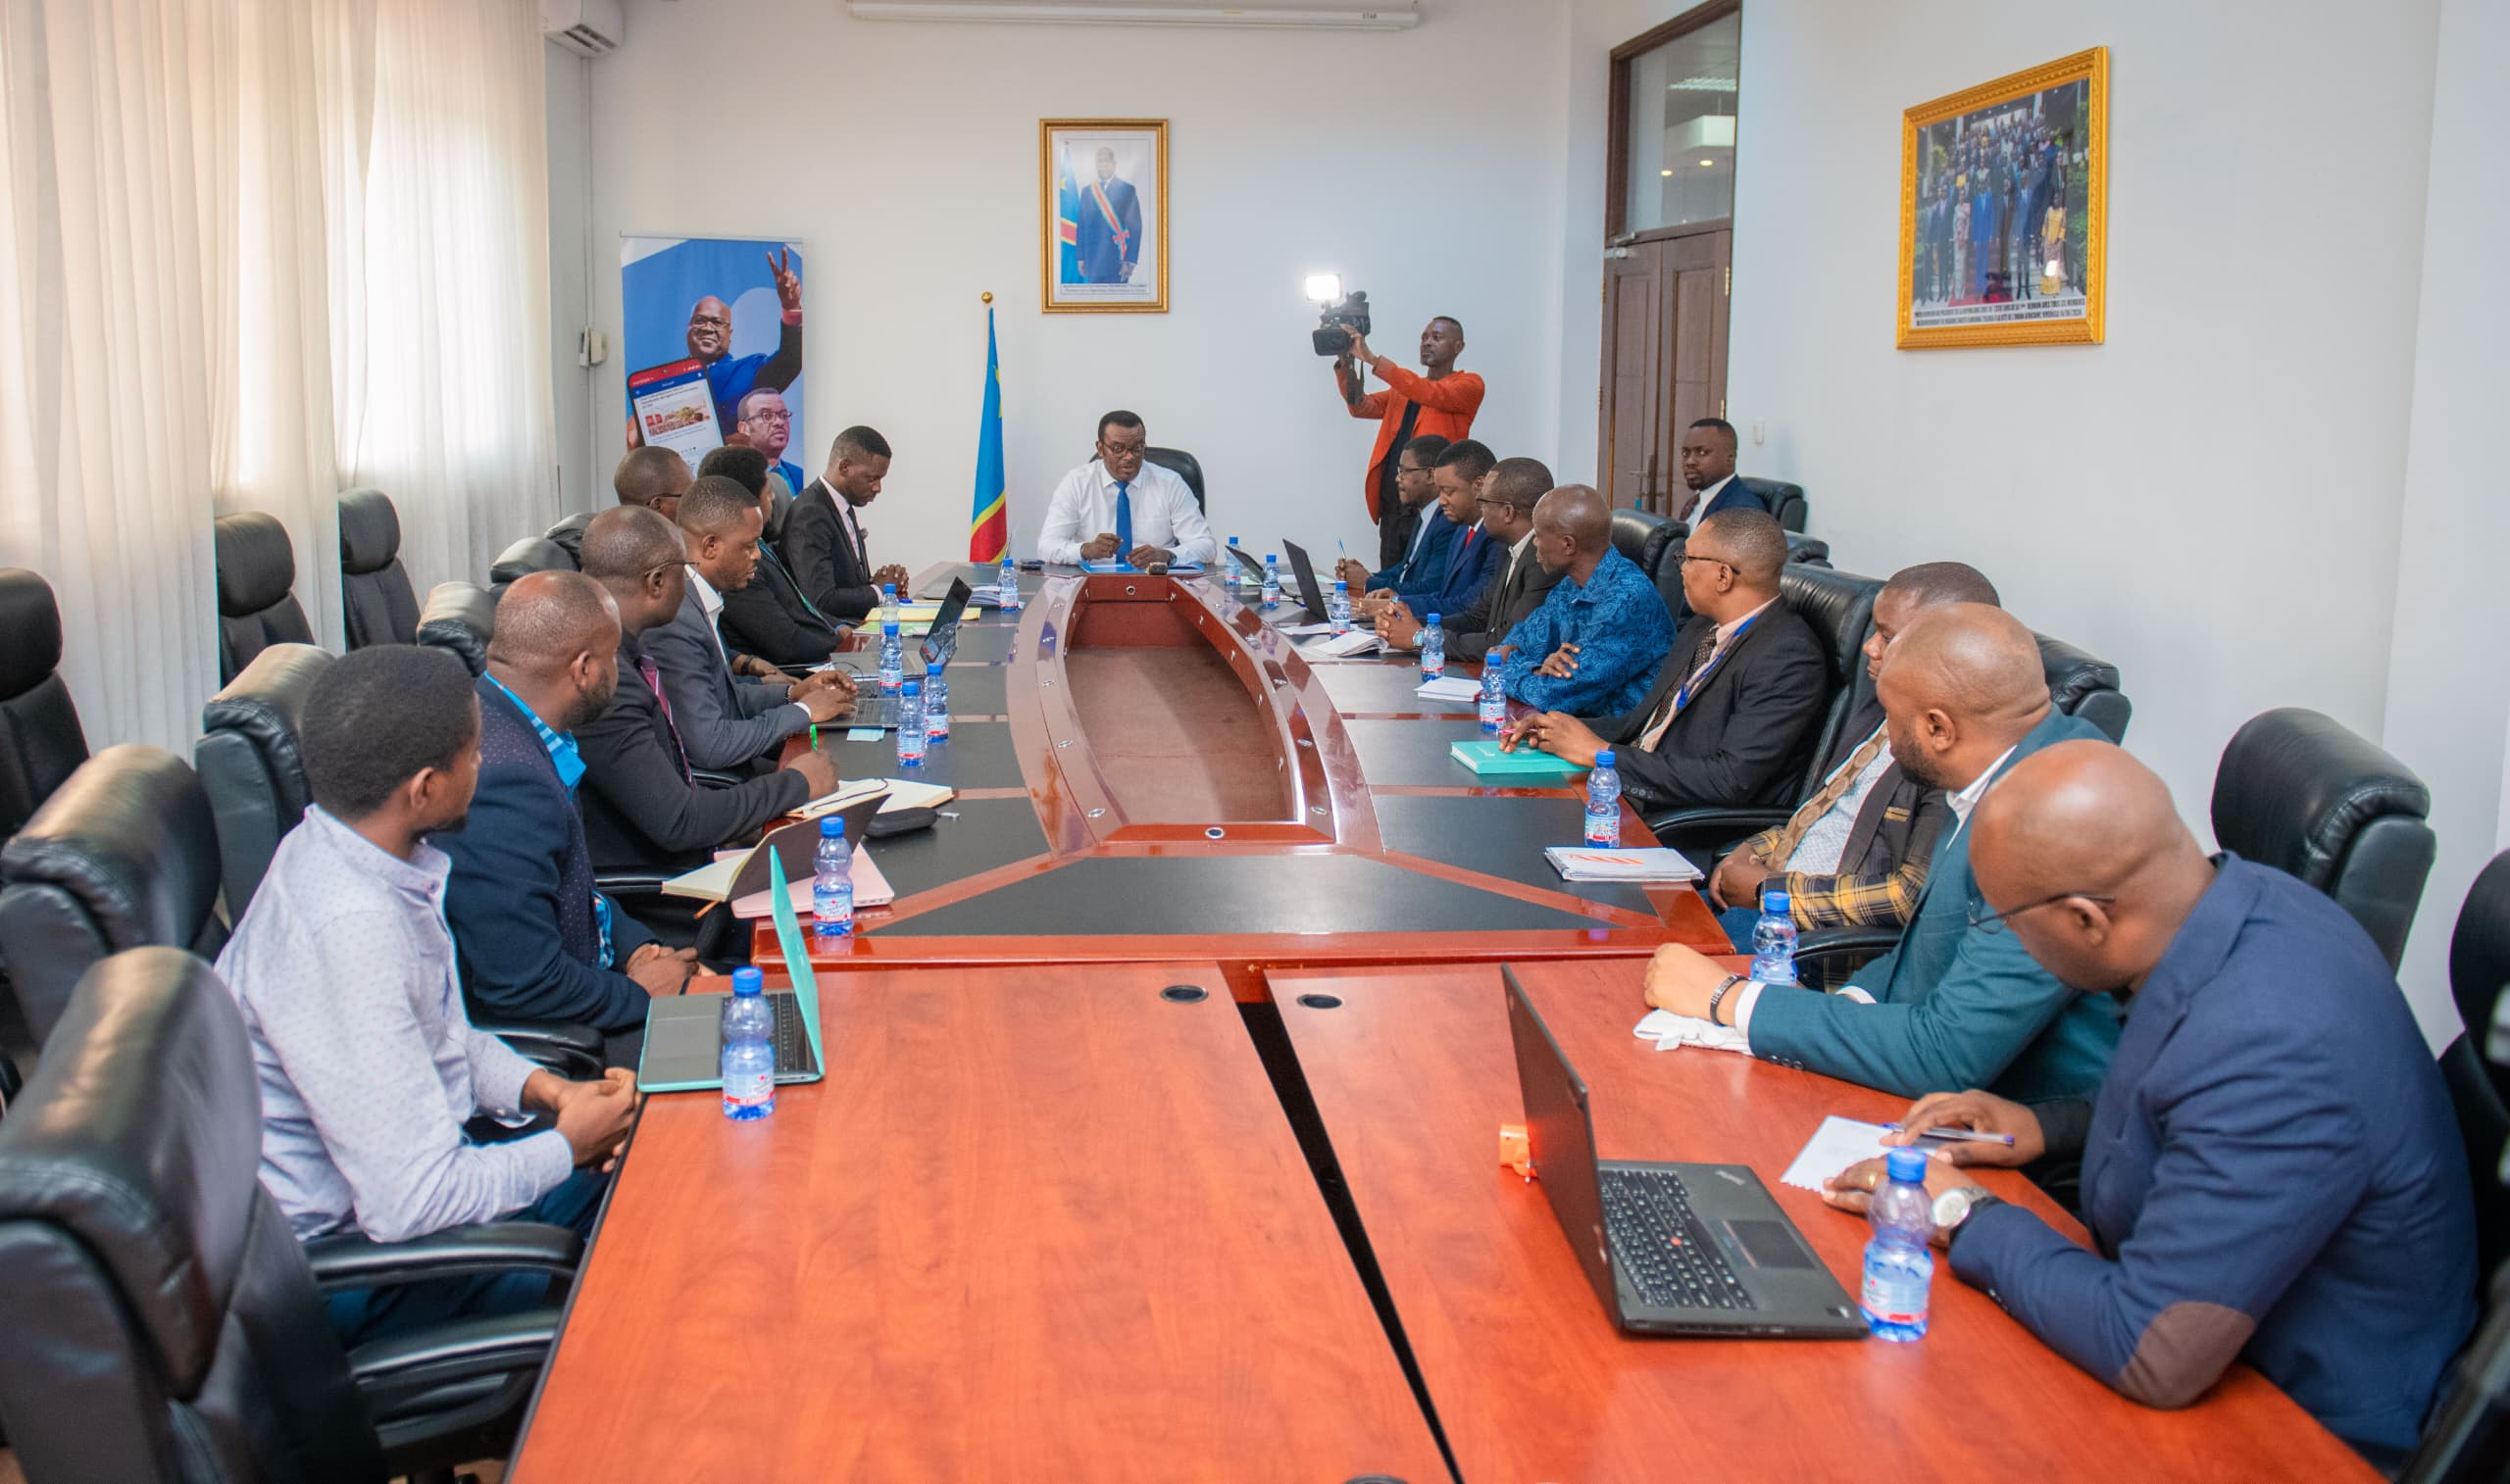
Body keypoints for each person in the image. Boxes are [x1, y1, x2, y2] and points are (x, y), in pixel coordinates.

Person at [1819, 742, 2477, 1463]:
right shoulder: (2246, 904)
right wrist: (2043, 1125)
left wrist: (1957, 1210)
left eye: (2004, 920)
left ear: (2085, 921)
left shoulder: (2273, 1041)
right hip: (2202, 1336)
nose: (2007, 939)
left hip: (2289, 1433)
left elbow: (2150, 1350)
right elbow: (2188, 1099)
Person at [212, 644, 639, 1344]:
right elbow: (411, 1201)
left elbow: (440, 1032)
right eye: (473, 756)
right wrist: (565, 1146)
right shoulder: (352, 927)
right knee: (655, 1245)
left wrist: (547, 1093)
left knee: (653, 1164)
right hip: (364, 1273)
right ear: (424, 788)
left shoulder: (346, 850)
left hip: (407, 1204)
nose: (484, 767)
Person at [1637, 603, 2121, 1104]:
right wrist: (1838, 1006)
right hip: (1920, 1068)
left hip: (2001, 1127)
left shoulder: (2051, 821)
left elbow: (1946, 1058)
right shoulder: (2002, 765)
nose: (1883, 737)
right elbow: (1918, 954)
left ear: (1938, 729)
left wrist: (1728, 1000)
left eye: (1890, 719)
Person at [433, 570, 693, 1062]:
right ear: (583, 669)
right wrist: (641, 994)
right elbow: (522, 986)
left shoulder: (513, 719)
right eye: (615, 657)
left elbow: (571, 889)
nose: (622, 672)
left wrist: (636, 947)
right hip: (573, 1040)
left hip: (597, 975)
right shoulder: (503, 780)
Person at [1703, 562, 1998, 947]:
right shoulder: (1879, 713)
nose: (1869, 647)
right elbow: (1820, 819)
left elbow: (1909, 895)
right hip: (1763, 900)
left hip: (1811, 938)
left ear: (1947, 646)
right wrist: (1749, 851)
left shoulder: (1947, 753)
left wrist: (1771, 892)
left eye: (1887, 637)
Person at [575, 507, 840, 880]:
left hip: (689, 847)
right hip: (671, 885)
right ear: (655, 583)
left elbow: (713, 701)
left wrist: (791, 696)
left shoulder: (625, 655)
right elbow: (681, 820)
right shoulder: (607, 685)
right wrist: (796, 783)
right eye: (682, 571)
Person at [1502, 508, 1826, 814]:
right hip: (1624, 789)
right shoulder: (1702, 627)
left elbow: (1730, 779)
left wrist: (1601, 754)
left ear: (1723, 575)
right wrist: (1557, 728)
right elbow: (1641, 724)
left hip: (1674, 818)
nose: (1681, 568)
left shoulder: (1787, 657)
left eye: (1687, 558)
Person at [648, 475, 853, 770]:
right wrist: (804, 710)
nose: (757, 555)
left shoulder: (698, 599)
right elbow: (712, 745)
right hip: (722, 784)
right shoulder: (678, 619)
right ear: (710, 547)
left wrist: (794, 693)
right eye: (748, 546)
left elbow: (723, 697)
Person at [1484, 485, 1672, 717]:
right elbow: (1508, 645)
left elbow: (1552, 695)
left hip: (1615, 740)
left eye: (1538, 536)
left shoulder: (1627, 600)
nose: (1534, 544)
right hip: (1568, 726)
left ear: (1568, 544)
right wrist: (1536, 667)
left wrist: (1508, 667)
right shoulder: (1571, 585)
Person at [1334, 317, 1484, 569]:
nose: (1427, 343)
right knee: (1389, 580)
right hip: (1394, 506)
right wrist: (1346, 363)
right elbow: (1361, 406)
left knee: (1423, 582)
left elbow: (1430, 393)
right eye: (1424, 337)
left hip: (1434, 507)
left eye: (1436, 338)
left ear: (1458, 347)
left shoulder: (1469, 384)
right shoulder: (1404, 390)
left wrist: (1372, 359)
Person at [1379, 458, 1562, 662]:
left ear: (1508, 512)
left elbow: (1504, 643)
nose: (1479, 508)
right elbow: (1476, 618)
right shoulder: (1506, 549)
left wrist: (1420, 638)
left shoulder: (1541, 563)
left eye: (1483, 501)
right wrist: (1406, 625)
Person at [698, 443, 844, 667]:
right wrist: (841, 645)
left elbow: (802, 607)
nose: (774, 498)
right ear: (748, 501)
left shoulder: (761, 545)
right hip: (798, 673)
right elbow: (788, 644)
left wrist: (840, 628)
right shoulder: (737, 565)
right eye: (768, 492)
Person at [1038, 410, 1217, 567]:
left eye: (1137, 448)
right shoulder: (1077, 482)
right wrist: (1086, 550)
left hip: (1155, 585)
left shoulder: (1170, 483)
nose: (1129, 457)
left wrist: (1167, 555)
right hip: (1093, 585)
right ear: (1100, 449)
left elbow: (1206, 547)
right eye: (1118, 449)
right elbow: (1047, 546)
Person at [1358, 439, 1499, 619]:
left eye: (1448, 491)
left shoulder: (1495, 538)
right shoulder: (1462, 531)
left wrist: (1397, 607)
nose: (1441, 501)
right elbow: (1443, 595)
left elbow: (1469, 605)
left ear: (1479, 486)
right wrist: (1397, 601)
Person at [782, 424, 908, 624]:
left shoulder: (841, 505)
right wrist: (878, 590)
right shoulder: (810, 514)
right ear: (844, 467)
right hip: (835, 634)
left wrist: (882, 581)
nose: (878, 488)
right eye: (872, 478)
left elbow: (847, 580)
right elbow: (822, 599)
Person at [686, 247, 802, 434]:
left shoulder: (748, 370)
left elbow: (788, 364)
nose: (708, 328)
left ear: (730, 333)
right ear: (688, 328)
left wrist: (791, 308)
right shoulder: (665, 382)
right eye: (700, 321)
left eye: (717, 322)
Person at [1333, 433, 1452, 596]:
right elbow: (1404, 569)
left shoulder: (1447, 522)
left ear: (1430, 475)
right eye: (1399, 470)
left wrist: (1368, 582)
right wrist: (1365, 575)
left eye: (1405, 471)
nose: (1397, 478)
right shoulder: (1424, 515)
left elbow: (1429, 588)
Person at [1673, 419, 1766, 526]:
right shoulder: (1694, 502)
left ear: (1730, 458)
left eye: (1702, 452)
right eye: (1685, 453)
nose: (1689, 461)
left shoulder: (1742, 512)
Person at [1075, 146, 1143, 285]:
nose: (1103, 164)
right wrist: (1080, 257)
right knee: (1094, 305)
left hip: (1117, 261)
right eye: (1099, 161)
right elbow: (1081, 225)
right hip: (1092, 261)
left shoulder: (1127, 190)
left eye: (1106, 160)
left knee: (1117, 305)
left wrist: (1129, 261)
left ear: (1114, 163)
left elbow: (1136, 228)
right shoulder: (1087, 192)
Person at [734, 387, 807, 500]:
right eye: (766, 416)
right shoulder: (734, 482)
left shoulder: (802, 476)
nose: (779, 422)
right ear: (744, 428)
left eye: (784, 415)